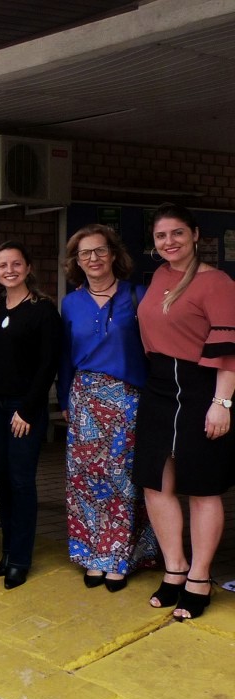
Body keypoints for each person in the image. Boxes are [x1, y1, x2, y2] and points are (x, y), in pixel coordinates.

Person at [135, 203, 235, 621]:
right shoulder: (158, 276)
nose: (169, 242)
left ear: (195, 234)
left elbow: (230, 351)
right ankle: (174, 568)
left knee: (202, 487)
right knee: (156, 483)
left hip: (201, 388)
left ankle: (199, 577)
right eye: (161, 236)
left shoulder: (218, 283)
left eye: (177, 233)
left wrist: (222, 403)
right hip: (159, 388)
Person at [58, 224, 156, 591]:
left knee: (122, 479)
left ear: (114, 254)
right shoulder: (71, 303)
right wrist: (66, 397)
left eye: (100, 251)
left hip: (128, 399)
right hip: (84, 398)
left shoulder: (138, 296)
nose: (93, 259)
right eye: (85, 254)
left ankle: (119, 556)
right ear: (76, 262)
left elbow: (153, 351)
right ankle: (91, 555)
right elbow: (65, 356)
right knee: (85, 482)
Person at [0, 242, 61, 590]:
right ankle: (8, 549)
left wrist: (26, 408)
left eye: (16, 264)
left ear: (28, 267)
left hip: (24, 409)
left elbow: (47, 365)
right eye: (2, 265)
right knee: (0, 477)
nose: (9, 270)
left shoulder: (43, 310)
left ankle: (21, 558)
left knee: (21, 480)